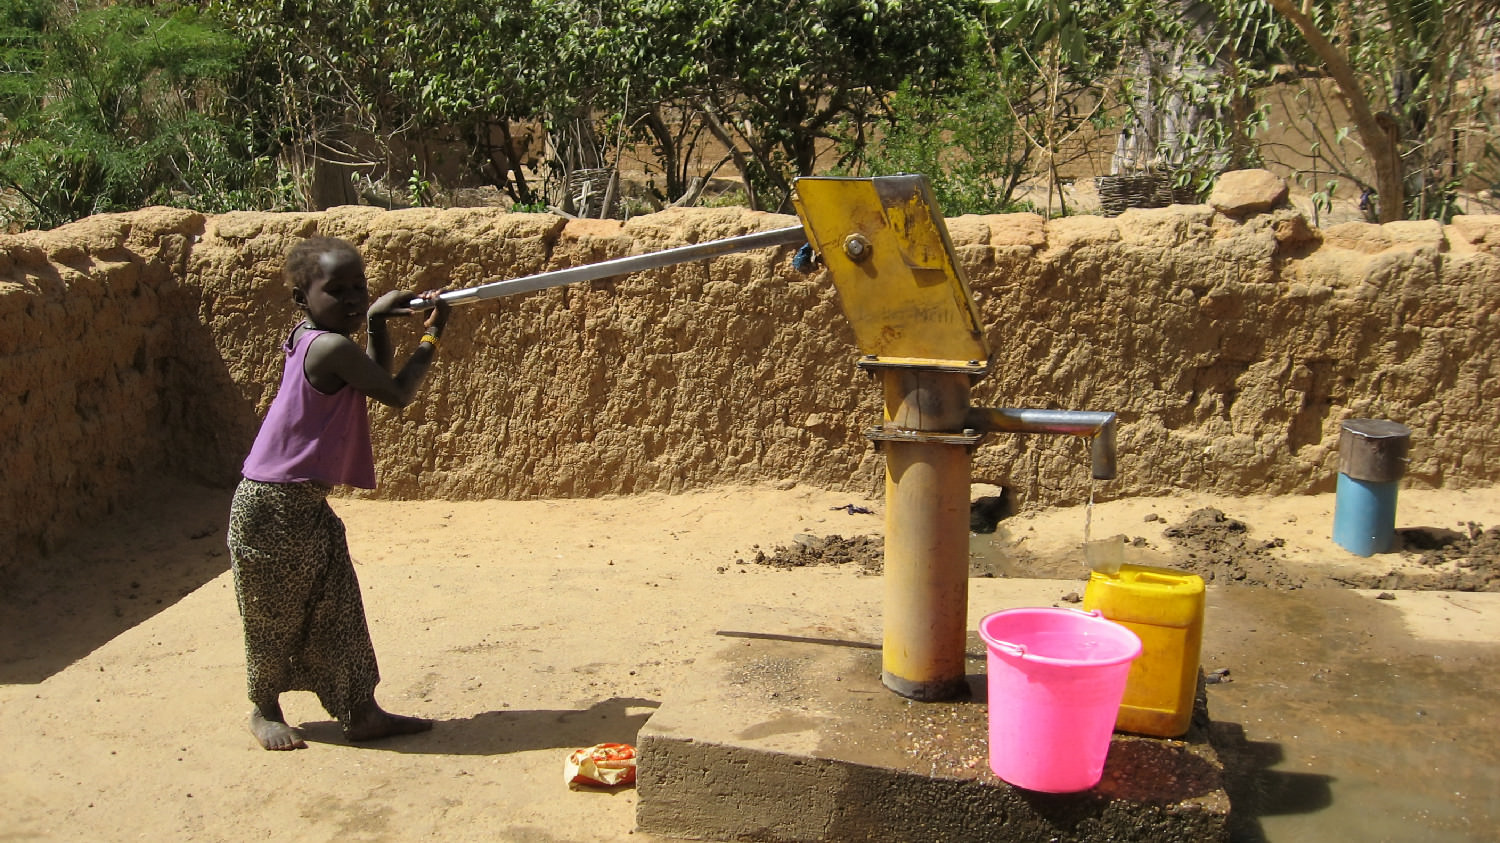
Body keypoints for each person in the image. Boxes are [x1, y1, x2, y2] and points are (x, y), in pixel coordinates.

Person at [227, 236, 451, 750]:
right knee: (271, 613)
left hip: (301, 504)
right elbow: (394, 392)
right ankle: (263, 709)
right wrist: (432, 337)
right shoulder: (327, 346)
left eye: (359, 287)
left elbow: (370, 372)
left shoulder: (317, 338)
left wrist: (374, 320)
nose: (352, 298)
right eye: (338, 290)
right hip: (271, 507)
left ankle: (361, 710)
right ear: (302, 299)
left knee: (339, 604)